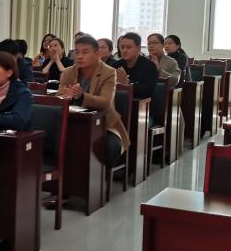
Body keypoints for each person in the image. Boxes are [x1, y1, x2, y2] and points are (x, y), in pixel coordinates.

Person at [57, 35, 130, 168]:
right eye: (77, 52)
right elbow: (59, 97)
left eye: (85, 52)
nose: (79, 56)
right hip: (72, 122)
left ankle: (99, 177)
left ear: (96, 54)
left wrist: (81, 96)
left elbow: (105, 102)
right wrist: (65, 98)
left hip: (104, 124)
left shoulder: (109, 72)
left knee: (109, 148)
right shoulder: (68, 72)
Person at [114, 32, 157, 100]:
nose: (124, 50)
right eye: (122, 47)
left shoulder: (149, 66)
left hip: (141, 103)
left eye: (128, 47)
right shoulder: (116, 65)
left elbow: (148, 91)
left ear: (138, 48)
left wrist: (128, 82)